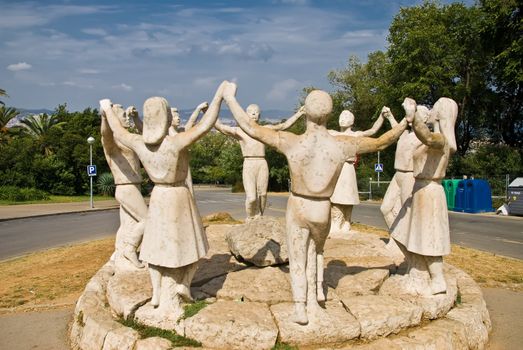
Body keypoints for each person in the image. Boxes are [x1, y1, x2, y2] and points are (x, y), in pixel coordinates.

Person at [223, 81, 415, 325]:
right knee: (316, 253)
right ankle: (315, 298)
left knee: (298, 256)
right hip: (322, 207)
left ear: (306, 110)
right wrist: (405, 121)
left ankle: (301, 307)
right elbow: (381, 142)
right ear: (329, 114)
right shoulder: (342, 144)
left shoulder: (291, 142)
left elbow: (251, 128)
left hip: (299, 205)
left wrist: (229, 98)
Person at [99, 81, 226, 318]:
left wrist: (106, 109)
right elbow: (206, 124)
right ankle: (184, 284)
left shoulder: (138, 143)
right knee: (194, 245)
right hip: (178, 195)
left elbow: (118, 132)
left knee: (154, 248)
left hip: (158, 196)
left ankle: (157, 293)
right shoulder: (175, 142)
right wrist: (220, 95)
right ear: (167, 118)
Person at [391, 98, 458, 295]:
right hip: (420, 190)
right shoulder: (435, 136)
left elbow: (427, 138)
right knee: (409, 232)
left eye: (434, 108)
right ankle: (417, 270)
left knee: (430, 238)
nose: (430, 111)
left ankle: (437, 280)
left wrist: (412, 118)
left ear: (439, 115)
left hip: (429, 192)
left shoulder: (440, 139)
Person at [214, 104, 305, 220]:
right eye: (250, 111)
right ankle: (250, 218)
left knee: (262, 194)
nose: (253, 113)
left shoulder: (265, 129)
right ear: (246, 114)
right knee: (251, 198)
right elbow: (220, 127)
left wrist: (299, 114)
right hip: (249, 163)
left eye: (256, 111)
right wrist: (209, 112)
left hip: (262, 163)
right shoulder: (240, 131)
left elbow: (282, 126)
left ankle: (260, 217)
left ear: (259, 115)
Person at [328, 108, 394, 233]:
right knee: (336, 197)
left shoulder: (355, 134)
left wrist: (381, 116)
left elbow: (373, 130)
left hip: (348, 168)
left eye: (346, 117)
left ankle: (346, 222)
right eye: (341, 116)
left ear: (352, 122)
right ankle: (336, 223)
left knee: (348, 197)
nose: (343, 119)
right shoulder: (333, 133)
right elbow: (315, 129)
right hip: (337, 168)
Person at [100, 104, 147, 270]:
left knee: (127, 225)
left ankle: (118, 252)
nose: (126, 118)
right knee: (147, 220)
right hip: (126, 187)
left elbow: (148, 140)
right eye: (123, 116)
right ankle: (130, 248)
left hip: (134, 186)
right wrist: (105, 117)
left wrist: (135, 118)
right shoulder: (112, 142)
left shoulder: (127, 139)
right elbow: (105, 135)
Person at [169, 102, 209, 195]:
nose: (178, 118)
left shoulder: (180, 132)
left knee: (190, 193)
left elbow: (191, 122)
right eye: (175, 116)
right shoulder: (167, 135)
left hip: (184, 166)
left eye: (178, 116)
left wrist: (198, 109)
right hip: (174, 166)